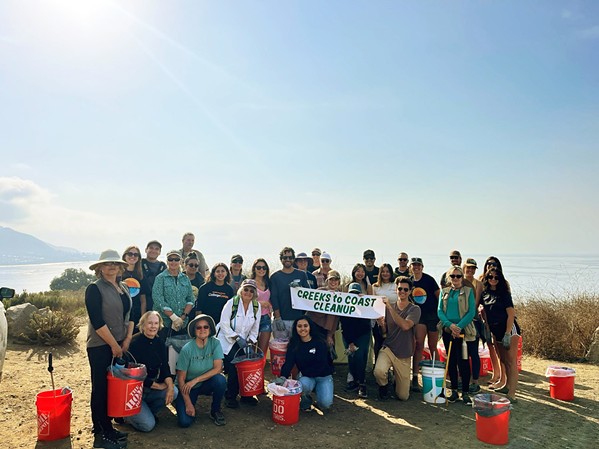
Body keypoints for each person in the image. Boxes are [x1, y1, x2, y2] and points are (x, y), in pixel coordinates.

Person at [85, 250, 133, 449]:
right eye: (106, 264)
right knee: (100, 389)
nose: (111, 266)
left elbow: (130, 314)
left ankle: (108, 428)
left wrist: (127, 339)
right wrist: (114, 344)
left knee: (113, 388)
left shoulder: (123, 287)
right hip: (100, 346)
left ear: (121, 267)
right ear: (99, 268)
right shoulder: (94, 289)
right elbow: (97, 321)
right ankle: (101, 433)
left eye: (115, 263)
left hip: (119, 345)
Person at [124, 311, 177, 432]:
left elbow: (165, 367)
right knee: (148, 426)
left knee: (174, 391)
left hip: (150, 390)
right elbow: (132, 374)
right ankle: (127, 416)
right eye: (150, 323)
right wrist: (156, 385)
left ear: (159, 326)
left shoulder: (160, 343)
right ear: (143, 325)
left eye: (156, 323)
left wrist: (169, 385)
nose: (153, 326)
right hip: (135, 392)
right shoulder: (134, 343)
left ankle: (147, 413)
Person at [174, 314, 227, 427]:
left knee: (220, 380)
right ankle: (182, 402)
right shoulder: (187, 349)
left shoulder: (215, 343)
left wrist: (196, 380)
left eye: (205, 327)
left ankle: (215, 410)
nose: (202, 330)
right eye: (198, 327)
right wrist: (188, 404)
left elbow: (218, 368)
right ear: (194, 330)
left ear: (210, 329)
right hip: (188, 387)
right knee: (185, 422)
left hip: (205, 383)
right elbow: (181, 379)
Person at [374, 276, 421, 401]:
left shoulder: (415, 309)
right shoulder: (388, 307)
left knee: (403, 396)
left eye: (406, 290)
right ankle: (383, 386)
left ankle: (395, 380)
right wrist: (382, 324)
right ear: (396, 289)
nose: (402, 292)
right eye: (400, 289)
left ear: (410, 291)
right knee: (378, 371)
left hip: (404, 354)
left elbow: (405, 326)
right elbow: (385, 333)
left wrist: (389, 307)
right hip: (389, 348)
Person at [218, 279, 261, 409]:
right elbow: (224, 324)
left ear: (254, 293)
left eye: (251, 290)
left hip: (244, 342)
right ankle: (230, 396)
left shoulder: (256, 306)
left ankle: (246, 395)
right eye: (246, 289)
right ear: (241, 290)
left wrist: (250, 341)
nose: (248, 292)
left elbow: (255, 328)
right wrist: (236, 337)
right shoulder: (232, 303)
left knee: (247, 365)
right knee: (233, 366)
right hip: (227, 340)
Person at [437, 265, 476, 405]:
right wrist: (450, 325)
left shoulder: (468, 291)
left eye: (458, 276)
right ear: (449, 278)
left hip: (463, 333)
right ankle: (454, 390)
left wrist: (459, 327)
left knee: (464, 361)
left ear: (462, 278)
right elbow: (440, 311)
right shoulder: (445, 292)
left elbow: (471, 312)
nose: (455, 279)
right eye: (452, 276)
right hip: (448, 331)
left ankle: (465, 392)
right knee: (451, 361)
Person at [481, 267, 520, 402]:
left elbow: (511, 314)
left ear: (500, 279)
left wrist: (508, 333)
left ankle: (512, 393)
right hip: (495, 331)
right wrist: (486, 327)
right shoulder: (484, 294)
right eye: (490, 277)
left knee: (511, 361)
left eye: (496, 278)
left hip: (508, 330)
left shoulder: (504, 294)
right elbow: (483, 311)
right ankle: (507, 385)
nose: (493, 280)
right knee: (503, 359)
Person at [279, 316, 334, 412]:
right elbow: (289, 363)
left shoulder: (320, 341)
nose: (303, 329)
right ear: (295, 328)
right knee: (303, 384)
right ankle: (306, 400)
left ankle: (319, 391)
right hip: (307, 377)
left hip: (323, 376)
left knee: (325, 404)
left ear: (310, 327)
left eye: (305, 326)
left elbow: (322, 363)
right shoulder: (294, 344)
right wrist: (283, 377)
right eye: (299, 326)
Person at [410, 257, 441, 392]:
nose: (416, 267)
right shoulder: (409, 281)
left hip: (433, 316)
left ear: (422, 267)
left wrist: (440, 314)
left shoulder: (429, 279)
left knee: (433, 346)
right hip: (419, 316)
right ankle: (415, 377)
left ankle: (439, 375)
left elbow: (439, 296)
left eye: (418, 265)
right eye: (414, 265)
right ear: (411, 267)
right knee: (419, 344)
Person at [479, 255, 510, 386]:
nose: (492, 266)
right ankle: (495, 374)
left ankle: (502, 378)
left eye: (495, 265)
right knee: (490, 347)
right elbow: (479, 300)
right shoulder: (481, 281)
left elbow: (508, 305)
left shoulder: (502, 283)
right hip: (486, 321)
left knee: (501, 351)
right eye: (489, 264)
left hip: (499, 322)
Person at [152, 250, 195, 341]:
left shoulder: (185, 278)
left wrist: (182, 318)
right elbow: (158, 299)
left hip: (182, 324)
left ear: (181, 261)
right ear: (167, 261)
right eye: (170, 259)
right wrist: (174, 318)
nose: (173, 262)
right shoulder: (160, 278)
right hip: (164, 324)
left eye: (176, 259)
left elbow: (190, 299)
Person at [340, 282, 372, 398]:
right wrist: (350, 343)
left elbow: (366, 325)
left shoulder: (365, 306)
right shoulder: (343, 307)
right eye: (351, 293)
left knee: (360, 357)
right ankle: (353, 380)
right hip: (349, 336)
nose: (354, 296)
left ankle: (362, 383)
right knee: (351, 356)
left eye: (356, 293)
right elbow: (344, 327)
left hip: (363, 335)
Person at [271, 247, 310, 337]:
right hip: (282, 319)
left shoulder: (302, 274)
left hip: (298, 320)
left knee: (297, 349)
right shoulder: (275, 277)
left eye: (290, 257)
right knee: (280, 349)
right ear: (281, 260)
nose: (288, 259)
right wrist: (278, 318)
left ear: (293, 259)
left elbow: (308, 296)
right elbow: (274, 298)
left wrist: (300, 289)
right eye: (285, 258)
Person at [463, 258, 484, 393]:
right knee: (461, 353)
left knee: (473, 352)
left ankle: (475, 381)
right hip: (459, 322)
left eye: (473, 268)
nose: (470, 270)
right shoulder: (459, 281)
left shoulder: (478, 284)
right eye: (468, 268)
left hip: (473, 321)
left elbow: (475, 304)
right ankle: (464, 379)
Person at [308, 270, 341, 347]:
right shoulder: (319, 291)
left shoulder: (341, 296)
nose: (333, 282)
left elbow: (335, 318)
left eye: (335, 280)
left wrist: (330, 335)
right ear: (327, 281)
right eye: (331, 279)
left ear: (339, 282)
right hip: (314, 326)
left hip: (328, 330)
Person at [121, 245, 149, 333]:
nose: (133, 256)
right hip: (121, 313)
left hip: (136, 313)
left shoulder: (141, 276)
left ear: (139, 258)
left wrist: (143, 317)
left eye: (136, 255)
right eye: (130, 254)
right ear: (124, 256)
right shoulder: (118, 274)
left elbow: (143, 300)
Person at [372, 263, 395, 359]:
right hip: (379, 318)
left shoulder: (396, 285)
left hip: (393, 318)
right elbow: (372, 303)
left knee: (393, 343)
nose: (385, 274)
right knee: (379, 343)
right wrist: (379, 319)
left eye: (387, 271)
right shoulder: (375, 286)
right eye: (383, 272)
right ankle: (377, 366)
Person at [250, 258, 272, 357]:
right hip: (252, 318)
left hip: (266, 318)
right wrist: (259, 303)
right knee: (251, 349)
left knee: (262, 351)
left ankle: (261, 371)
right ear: (254, 269)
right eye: (258, 267)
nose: (261, 269)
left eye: (264, 267)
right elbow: (243, 299)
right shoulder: (250, 283)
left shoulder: (269, 283)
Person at [141, 240, 166, 312]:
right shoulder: (139, 264)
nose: (153, 251)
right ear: (146, 250)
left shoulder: (163, 266)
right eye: (151, 248)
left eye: (157, 249)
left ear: (160, 252)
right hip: (141, 301)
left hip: (157, 303)